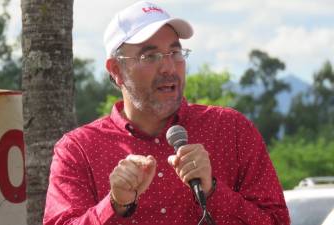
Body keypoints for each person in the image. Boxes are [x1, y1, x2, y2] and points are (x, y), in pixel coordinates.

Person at [43, 1, 290, 225]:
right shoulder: (78, 149)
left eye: (175, 53)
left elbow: (277, 221)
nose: (169, 67)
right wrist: (114, 205)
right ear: (116, 70)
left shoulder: (232, 129)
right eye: (150, 56)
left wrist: (214, 191)